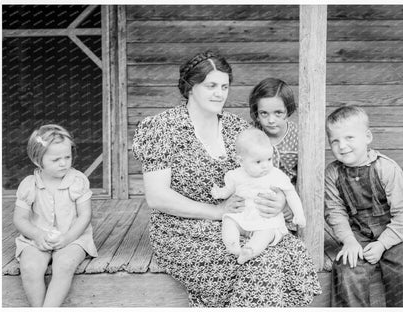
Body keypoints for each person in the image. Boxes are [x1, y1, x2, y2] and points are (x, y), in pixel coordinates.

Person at [132, 50, 321, 307]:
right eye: (211, 86)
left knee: (283, 253)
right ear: (190, 87)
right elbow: (157, 197)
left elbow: (261, 173)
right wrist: (217, 211)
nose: (219, 93)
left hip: (241, 221)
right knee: (263, 263)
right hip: (182, 231)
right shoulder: (162, 128)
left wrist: (279, 201)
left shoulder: (237, 128)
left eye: (224, 86)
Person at [324, 105, 403, 307]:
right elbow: (335, 212)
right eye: (335, 141)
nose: (342, 146)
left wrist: (382, 244)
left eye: (349, 138)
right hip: (357, 234)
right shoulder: (332, 172)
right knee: (345, 268)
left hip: (393, 233)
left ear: (367, 137)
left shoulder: (386, 168)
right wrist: (349, 241)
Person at [13, 124, 98, 307]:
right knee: (30, 267)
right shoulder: (29, 185)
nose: (63, 163)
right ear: (38, 160)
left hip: (73, 237)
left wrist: (68, 237)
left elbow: (85, 215)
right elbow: (20, 219)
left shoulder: (77, 180)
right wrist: (37, 234)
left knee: (65, 264)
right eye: (56, 159)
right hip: (37, 239)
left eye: (67, 157)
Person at [211, 128, 306, 264]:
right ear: (241, 161)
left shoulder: (275, 175)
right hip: (243, 215)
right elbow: (228, 190)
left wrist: (299, 214)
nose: (265, 166)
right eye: (258, 162)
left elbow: (291, 193)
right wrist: (219, 193)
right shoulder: (236, 175)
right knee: (229, 221)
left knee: (267, 233)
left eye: (269, 159)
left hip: (265, 218)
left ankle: (250, 250)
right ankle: (232, 245)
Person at [249, 77, 298, 184]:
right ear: (256, 113)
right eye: (264, 113)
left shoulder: (298, 136)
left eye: (278, 113)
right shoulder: (250, 134)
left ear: (288, 110)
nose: (271, 120)